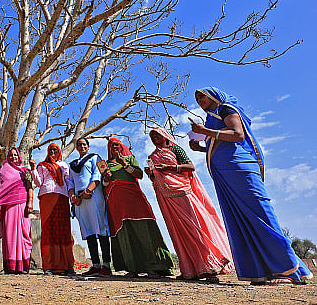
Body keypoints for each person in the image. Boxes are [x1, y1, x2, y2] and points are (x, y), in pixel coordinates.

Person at [189, 87, 313, 285]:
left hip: (240, 170)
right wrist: (202, 146)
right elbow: (222, 144)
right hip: (227, 174)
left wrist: (205, 132)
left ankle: (288, 271)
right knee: (243, 219)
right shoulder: (212, 117)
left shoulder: (226, 109)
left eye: (202, 95)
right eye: (197, 98)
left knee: (260, 214)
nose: (199, 100)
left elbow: (237, 135)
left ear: (214, 95)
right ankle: (267, 271)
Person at [146, 127, 233, 282]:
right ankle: (190, 270)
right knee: (178, 232)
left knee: (194, 228)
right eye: (152, 136)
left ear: (165, 136)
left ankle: (210, 267)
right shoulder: (152, 156)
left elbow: (190, 167)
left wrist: (169, 167)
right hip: (165, 196)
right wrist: (152, 174)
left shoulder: (176, 149)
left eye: (156, 135)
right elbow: (155, 179)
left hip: (182, 193)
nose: (154, 138)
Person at [102, 137, 174, 278]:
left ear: (121, 146)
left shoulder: (129, 159)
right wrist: (105, 179)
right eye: (111, 146)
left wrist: (125, 165)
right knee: (125, 232)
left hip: (133, 198)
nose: (114, 147)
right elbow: (104, 185)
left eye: (117, 145)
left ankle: (155, 266)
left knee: (144, 229)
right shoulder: (107, 164)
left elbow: (140, 175)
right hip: (116, 202)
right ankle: (132, 268)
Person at [68, 138, 111, 277]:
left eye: (84, 145)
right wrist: (73, 197)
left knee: (101, 229)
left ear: (88, 146)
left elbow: (97, 175)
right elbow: (70, 182)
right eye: (79, 145)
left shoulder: (95, 158)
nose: (81, 147)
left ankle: (106, 265)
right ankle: (96, 265)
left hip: (93, 196)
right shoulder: (72, 164)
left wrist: (89, 191)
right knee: (88, 231)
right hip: (80, 201)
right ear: (76, 148)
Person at [33, 143, 75, 275]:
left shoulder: (63, 165)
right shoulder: (42, 165)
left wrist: (72, 197)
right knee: (48, 230)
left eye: (55, 150)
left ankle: (68, 266)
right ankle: (49, 266)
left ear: (59, 152)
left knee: (63, 230)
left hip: (62, 197)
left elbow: (68, 181)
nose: (52, 152)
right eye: (50, 149)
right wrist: (33, 168)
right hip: (46, 196)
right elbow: (38, 182)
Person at [0, 148, 34, 274]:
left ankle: (23, 265)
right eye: (11, 155)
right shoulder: (4, 170)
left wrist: (30, 202)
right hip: (8, 207)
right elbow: (0, 189)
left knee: (24, 233)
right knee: (10, 235)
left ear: (19, 156)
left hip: (22, 205)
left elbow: (30, 186)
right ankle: (11, 266)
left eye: (15, 155)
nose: (13, 157)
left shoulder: (26, 171)